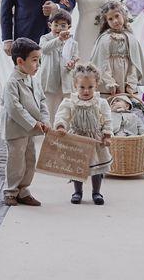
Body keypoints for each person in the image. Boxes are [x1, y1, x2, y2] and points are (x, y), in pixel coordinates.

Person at [0, 37, 50, 207]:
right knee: (16, 161)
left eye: (39, 60)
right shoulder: (12, 83)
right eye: (35, 60)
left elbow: (42, 101)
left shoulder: (33, 80)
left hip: (30, 131)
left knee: (30, 160)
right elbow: (14, 108)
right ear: (20, 61)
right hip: (16, 131)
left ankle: (24, 190)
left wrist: (44, 120)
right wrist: (32, 123)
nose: (38, 64)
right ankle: (11, 191)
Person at [54, 63, 112, 205]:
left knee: (97, 167)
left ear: (96, 84)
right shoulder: (70, 102)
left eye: (90, 87)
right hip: (77, 139)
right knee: (77, 166)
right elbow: (62, 115)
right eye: (82, 87)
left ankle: (96, 192)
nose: (86, 91)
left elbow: (107, 119)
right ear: (75, 85)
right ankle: (77, 191)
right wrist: (61, 126)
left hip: (95, 139)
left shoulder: (100, 102)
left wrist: (107, 135)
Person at [90, 1, 144, 97]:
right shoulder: (105, 39)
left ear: (123, 15)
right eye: (110, 19)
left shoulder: (131, 38)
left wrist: (131, 83)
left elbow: (134, 62)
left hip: (126, 77)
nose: (115, 21)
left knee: (126, 103)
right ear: (107, 22)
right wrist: (110, 82)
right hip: (109, 78)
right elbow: (103, 63)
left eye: (117, 16)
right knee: (110, 103)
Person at [39, 9, 79, 117]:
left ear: (69, 27)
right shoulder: (45, 38)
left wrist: (72, 62)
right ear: (49, 25)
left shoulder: (72, 42)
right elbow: (44, 49)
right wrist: (59, 39)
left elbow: (75, 56)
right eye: (56, 25)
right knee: (50, 107)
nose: (59, 28)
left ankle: (64, 129)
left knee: (66, 109)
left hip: (66, 80)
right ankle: (50, 130)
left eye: (63, 25)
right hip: (50, 80)